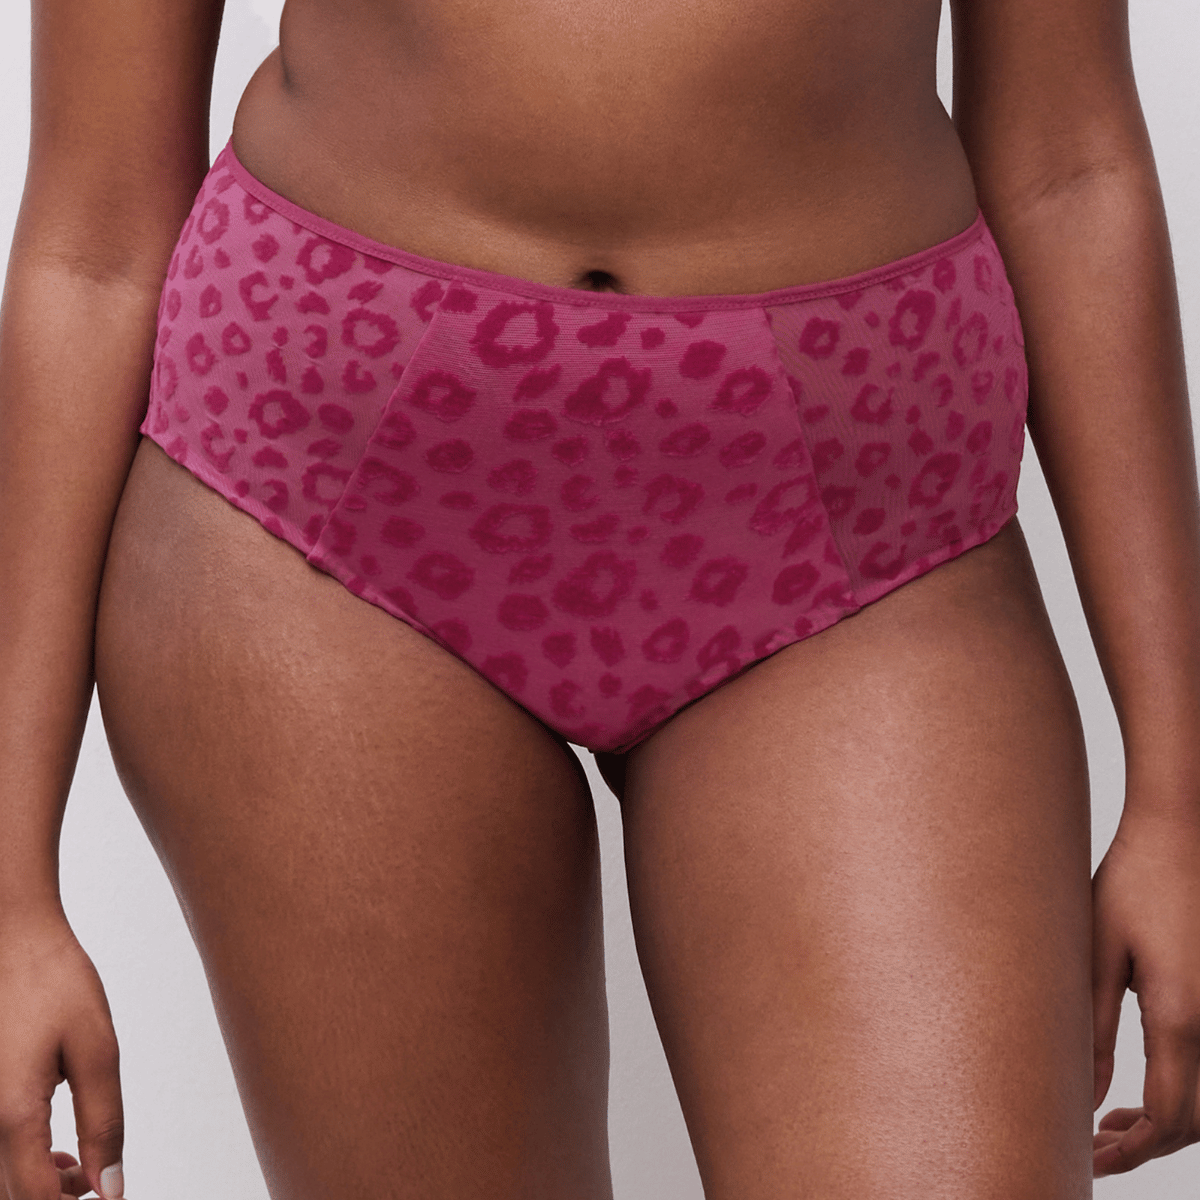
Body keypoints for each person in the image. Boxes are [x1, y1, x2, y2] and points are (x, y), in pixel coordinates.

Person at [2, 0, 1199, 1195]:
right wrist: (8, 894)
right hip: (332, 495)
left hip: (863, 526)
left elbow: (1071, 169)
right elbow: (92, 243)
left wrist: (1180, 801)